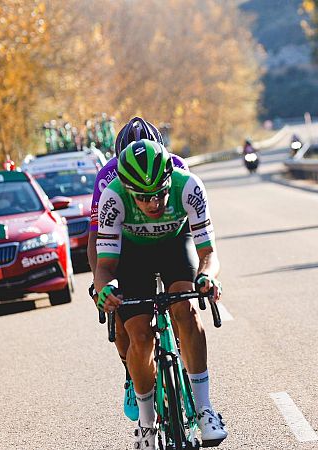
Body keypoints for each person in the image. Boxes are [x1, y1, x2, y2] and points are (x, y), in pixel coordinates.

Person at [94, 140, 227, 449]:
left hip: (175, 246)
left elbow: (208, 253)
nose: (153, 204)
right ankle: (146, 422)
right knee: (138, 334)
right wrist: (106, 289)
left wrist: (207, 277)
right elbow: (105, 266)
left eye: (159, 194)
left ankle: (206, 410)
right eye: (142, 198)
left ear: (170, 180)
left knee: (187, 310)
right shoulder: (113, 198)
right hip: (132, 256)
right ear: (128, 190)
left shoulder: (188, 186)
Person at [87, 117, 189, 423]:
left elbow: (193, 214)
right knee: (122, 311)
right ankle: (132, 376)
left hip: (169, 239)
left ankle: (183, 362)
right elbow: (96, 235)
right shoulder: (108, 176)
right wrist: (99, 282)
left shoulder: (176, 166)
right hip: (127, 243)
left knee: (182, 302)